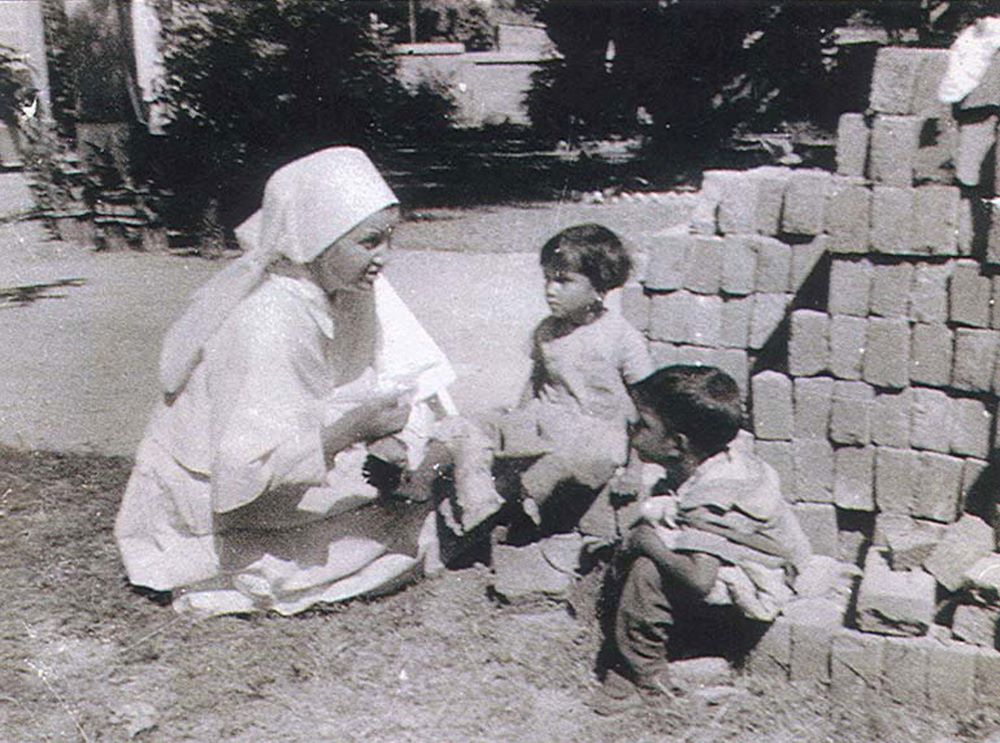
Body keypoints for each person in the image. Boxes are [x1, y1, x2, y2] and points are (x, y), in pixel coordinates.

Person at [114, 147, 457, 616]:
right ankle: (216, 568)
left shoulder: (344, 288)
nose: (385, 257)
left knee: (416, 490)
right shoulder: (272, 320)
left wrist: (386, 435)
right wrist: (354, 431)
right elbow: (242, 473)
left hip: (284, 464)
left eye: (389, 239)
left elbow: (350, 384)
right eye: (370, 242)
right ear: (319, 239)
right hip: (217, 494)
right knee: (400, 528)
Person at [592, 365, 812, 715]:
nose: (633, 431)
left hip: (762, 582)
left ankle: (648, 678)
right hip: (761, 559)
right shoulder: (717, 456)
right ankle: (688, 642)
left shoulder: (714, 493)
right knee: (653, 530)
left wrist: (646, 543)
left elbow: (699, 578)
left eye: (643, 425)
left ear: (677, 444)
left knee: (647, 568)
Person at [441, 223, 653, 541]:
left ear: (599, 286)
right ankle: (480, 509)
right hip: (547, 421)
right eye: (547, 279)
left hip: (596, 436)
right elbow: (536, 381)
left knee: (552, 469)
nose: (550, 289)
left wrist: (635, 471)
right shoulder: (547, 330)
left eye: (563, 281)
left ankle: (521, 514)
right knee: (467, 426)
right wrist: (514, 422)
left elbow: (648, 406)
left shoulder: (622, 338)